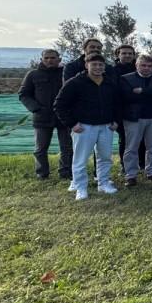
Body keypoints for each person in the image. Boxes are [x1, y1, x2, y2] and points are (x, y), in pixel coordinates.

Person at [53, 52, 121, 200]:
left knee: (105, 157)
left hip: (106, 127)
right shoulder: (75, 82)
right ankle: (81, 187)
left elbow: (118, 104)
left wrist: (116, 120)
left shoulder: (109, 83)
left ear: (104, 67)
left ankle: (103, 184)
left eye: (100, 65)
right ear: (86, 65)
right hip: (84, 127)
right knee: (80, 159)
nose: (97, 67)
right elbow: (59, 105)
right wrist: (72, 124)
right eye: (94, 64)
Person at [19, 49, 73, 180]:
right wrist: (36, 109)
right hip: (42, 118)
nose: (50, 60)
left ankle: (65, 173)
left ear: (59, 59)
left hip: (63, 117)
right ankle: (42, 173)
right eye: (47, 58)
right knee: (40, 149)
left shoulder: (65, 74)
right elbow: (24, 95)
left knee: (67, 148)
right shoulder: (33, 75)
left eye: (53, 58)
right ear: (42, 59)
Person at [119, 54, 152, 186]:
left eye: (149, 66)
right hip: (134, 118)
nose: (146, 68)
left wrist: (142, 91)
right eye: (143, 65)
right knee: (131, 147)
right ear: (136, 65)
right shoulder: (126, 79)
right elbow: (127, 97)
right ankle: (131, 175)